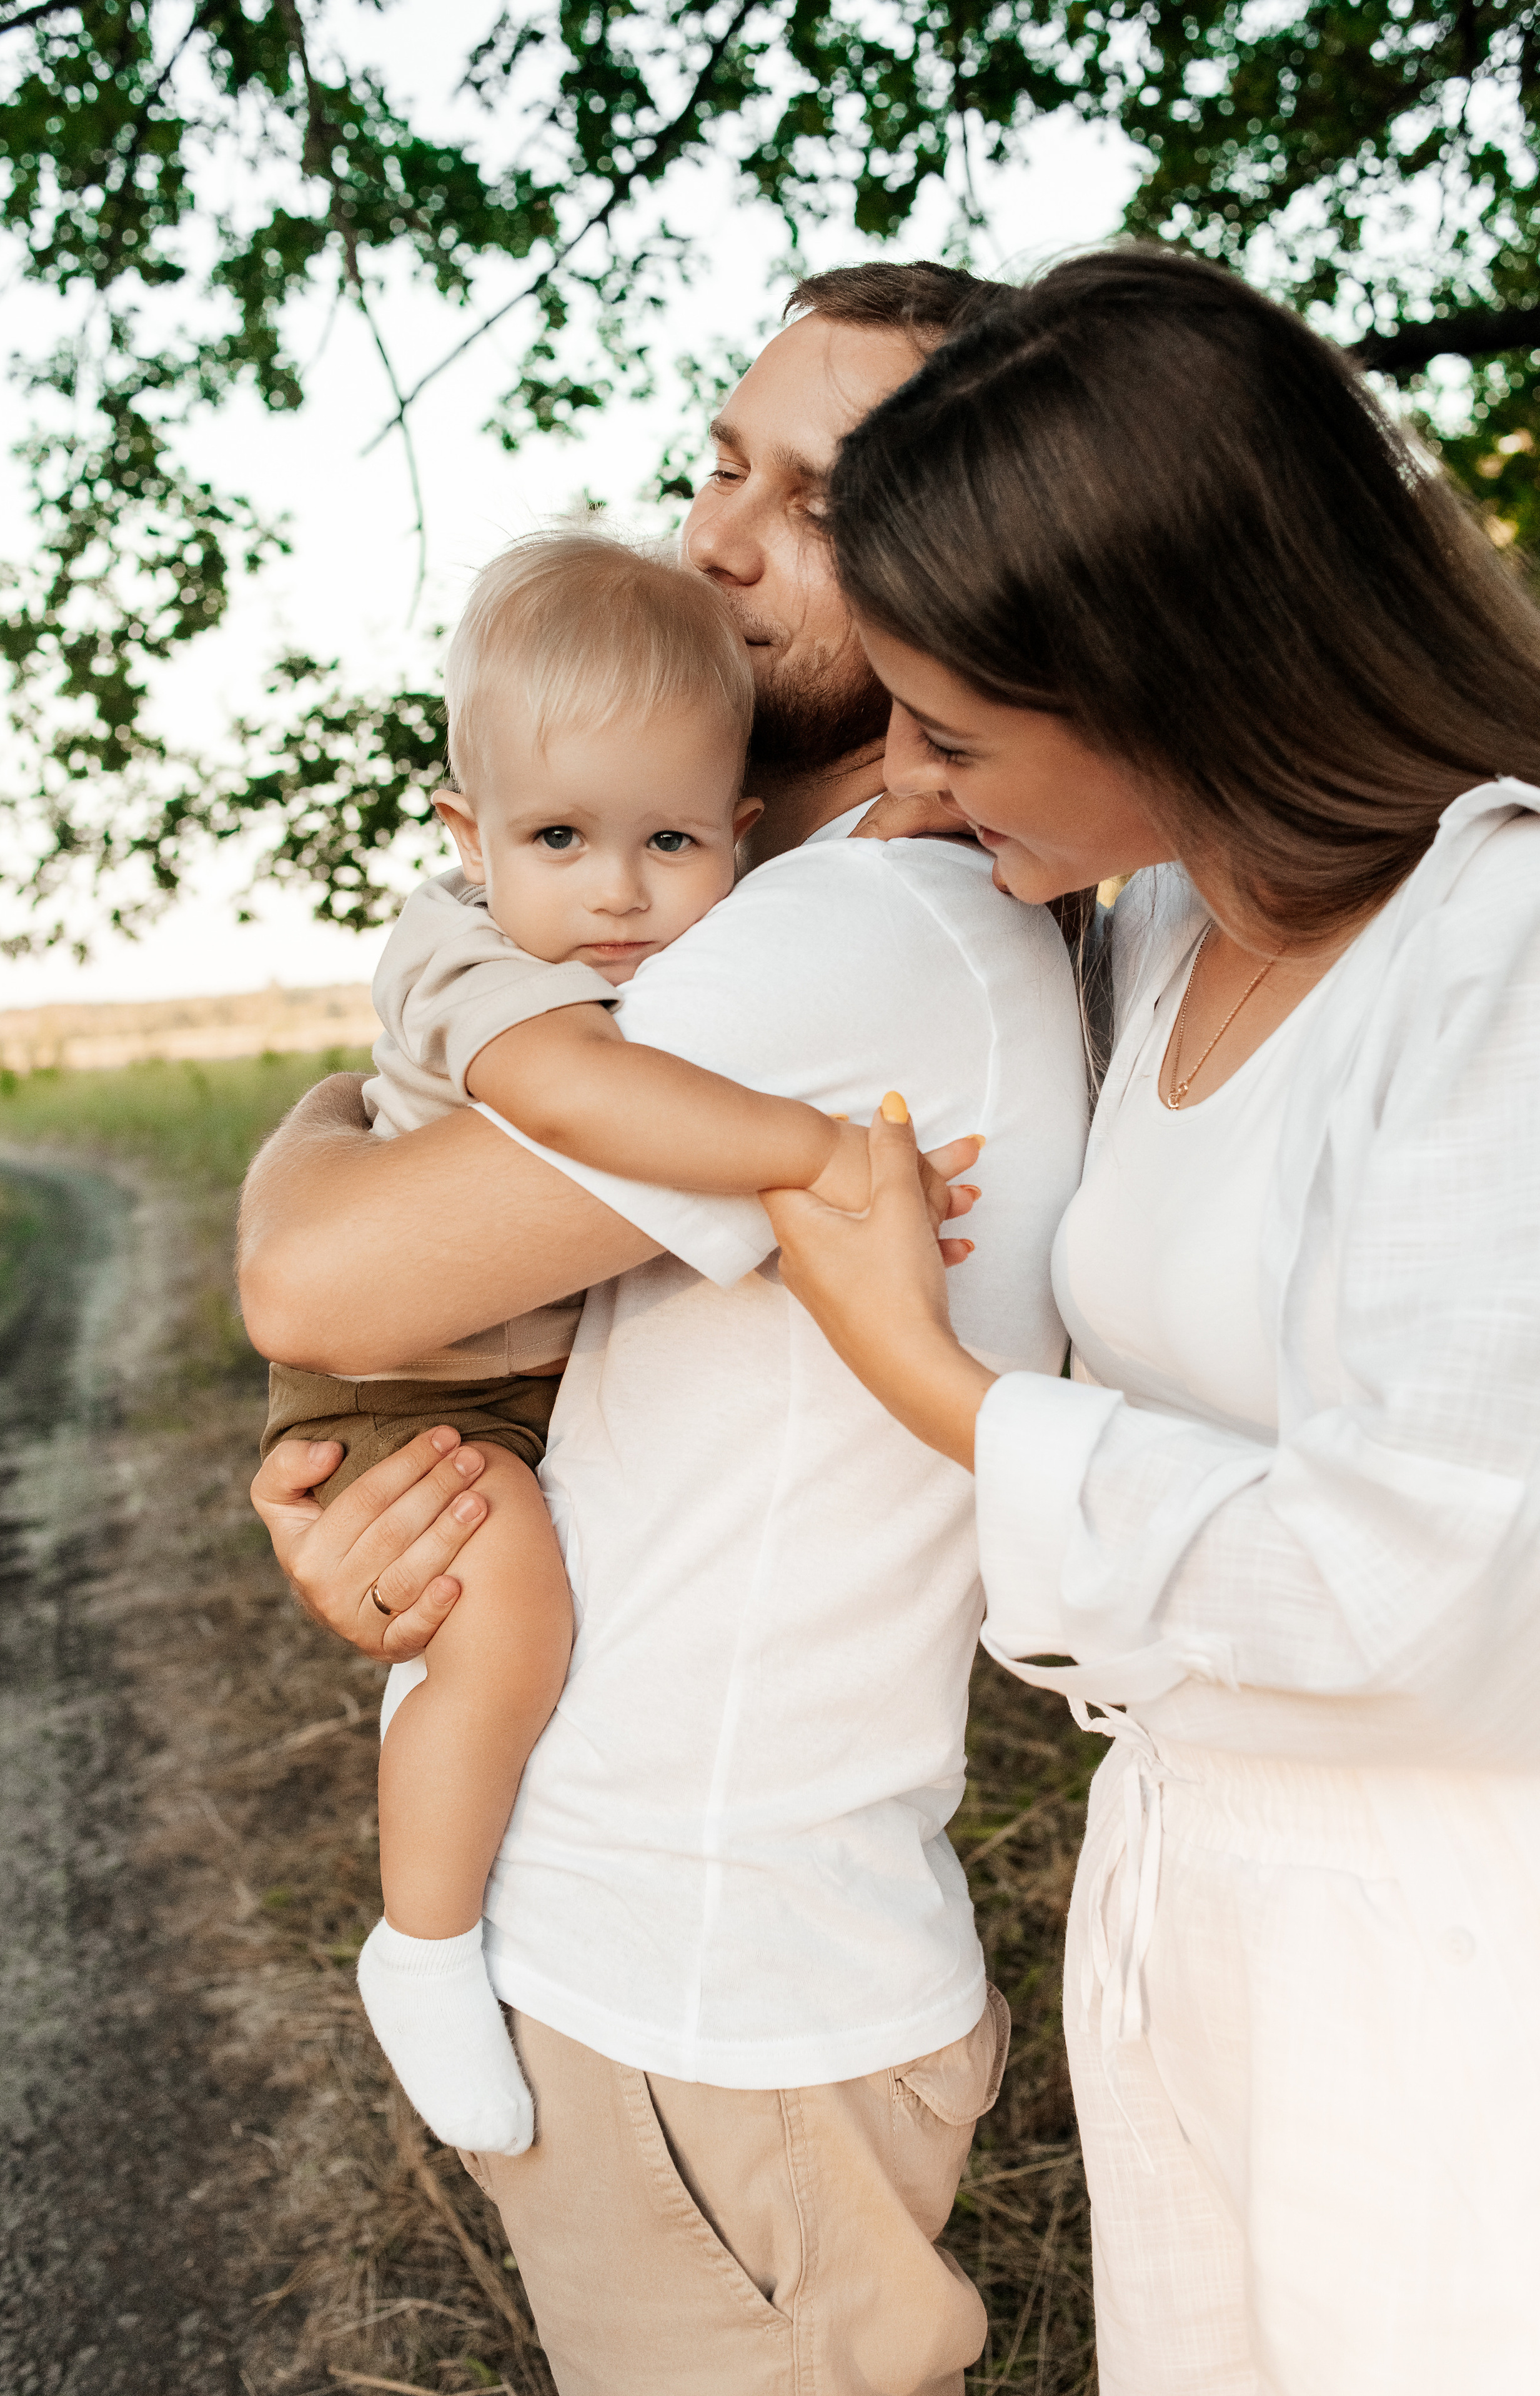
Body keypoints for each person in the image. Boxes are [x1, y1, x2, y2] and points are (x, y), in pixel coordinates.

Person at [240, 263, 1093, 2395]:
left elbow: (312, 1281)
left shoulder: (841, 939)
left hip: (704, 1999)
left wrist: (311, 1155)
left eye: (813, 494)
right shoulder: (731, 908)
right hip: (691, 1969)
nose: (716, 536)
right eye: (723, 460)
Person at [760, 244, 1540, 2395]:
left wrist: (939, 1386)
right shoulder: (1173, 913)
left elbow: (1424, 1583)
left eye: (954, 729)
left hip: (1450, 1964)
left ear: (1166, 672)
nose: (904, 779)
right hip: (1199, 1892)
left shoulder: (1500, 950)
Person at [266, 528, 934, 2157]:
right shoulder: (471, 951)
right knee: (505, 1628)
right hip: (416, 1382)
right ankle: (418, 1943)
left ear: (740, 835)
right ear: (465, 835)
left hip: (510, 1361)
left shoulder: (711, 943)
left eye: (671, 840)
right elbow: (571, 1101)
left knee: (497, 1608)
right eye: (557, 835)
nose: (619, 891)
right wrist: (816, 1154)